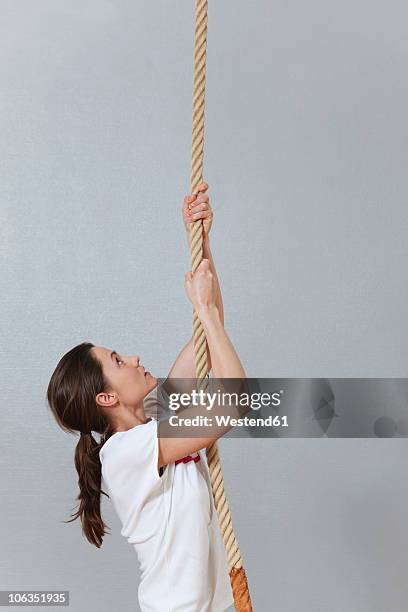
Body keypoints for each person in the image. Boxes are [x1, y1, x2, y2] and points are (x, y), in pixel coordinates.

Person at [46, 183, 248, 612]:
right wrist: (205, 312)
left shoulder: (156, 419)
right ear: (105, 397)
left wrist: (201, 241)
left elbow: (211, 345)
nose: (134, 357)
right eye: (118, 360)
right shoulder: (125, 453)